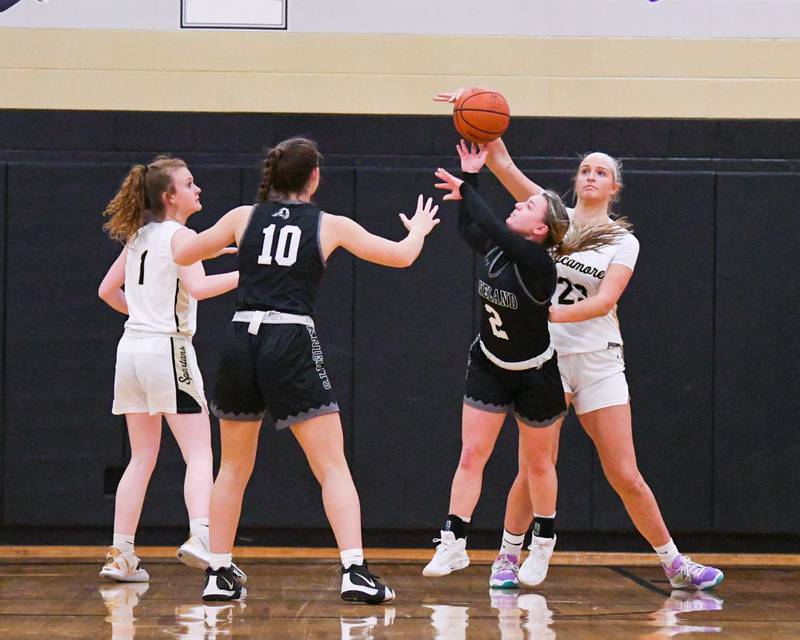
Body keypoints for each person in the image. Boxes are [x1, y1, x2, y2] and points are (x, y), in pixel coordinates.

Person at [170, 137, 441, 603]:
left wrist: (209, 239)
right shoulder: (329, 224)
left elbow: (183, 254)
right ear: (314, 178)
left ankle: (218, 571)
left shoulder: (242, 217)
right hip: (289, 337)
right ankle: (355, 570)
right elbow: (401, 255)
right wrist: (417, 230)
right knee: (332, 466)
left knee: (232, 466)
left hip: (240, 338)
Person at [484, 137, 723, 591]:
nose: (591, 175)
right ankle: (507, 558)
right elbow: (505, 167)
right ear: (576, 181)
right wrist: (489, 132)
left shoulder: (623, 241)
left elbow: (605, 300)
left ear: (615, 187)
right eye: (586, 170)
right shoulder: (552, 217)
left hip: (599, 360)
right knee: (533, 468)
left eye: (602, 172)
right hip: (546, 359)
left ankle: (675, 563)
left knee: (625, 473)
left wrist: (545, 312)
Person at [422, 140, 628, 588]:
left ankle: (543, 544)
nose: (519, 206)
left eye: (528, 205)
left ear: (540, 230)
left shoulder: (536, 263)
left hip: (536, 372)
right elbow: (472, 229)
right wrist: (471, 178)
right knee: (472, 454)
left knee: (537, 467)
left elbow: (491, 223)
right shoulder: (501, 250)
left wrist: (469, 187)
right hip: (491, 362)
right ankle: (453, 541)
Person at [97, 156, 241, 583]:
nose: (198, 190)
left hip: (131, 349)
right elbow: (197, 286)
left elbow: (107, 290)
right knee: (199, 452)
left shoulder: (139, 236)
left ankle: (121, 554)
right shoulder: (182, 234)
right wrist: (244, 274)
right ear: (169, 196)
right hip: (167, 348)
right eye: (190, 184)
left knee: (141, 458)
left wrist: (142, 314)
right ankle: (201, 535)